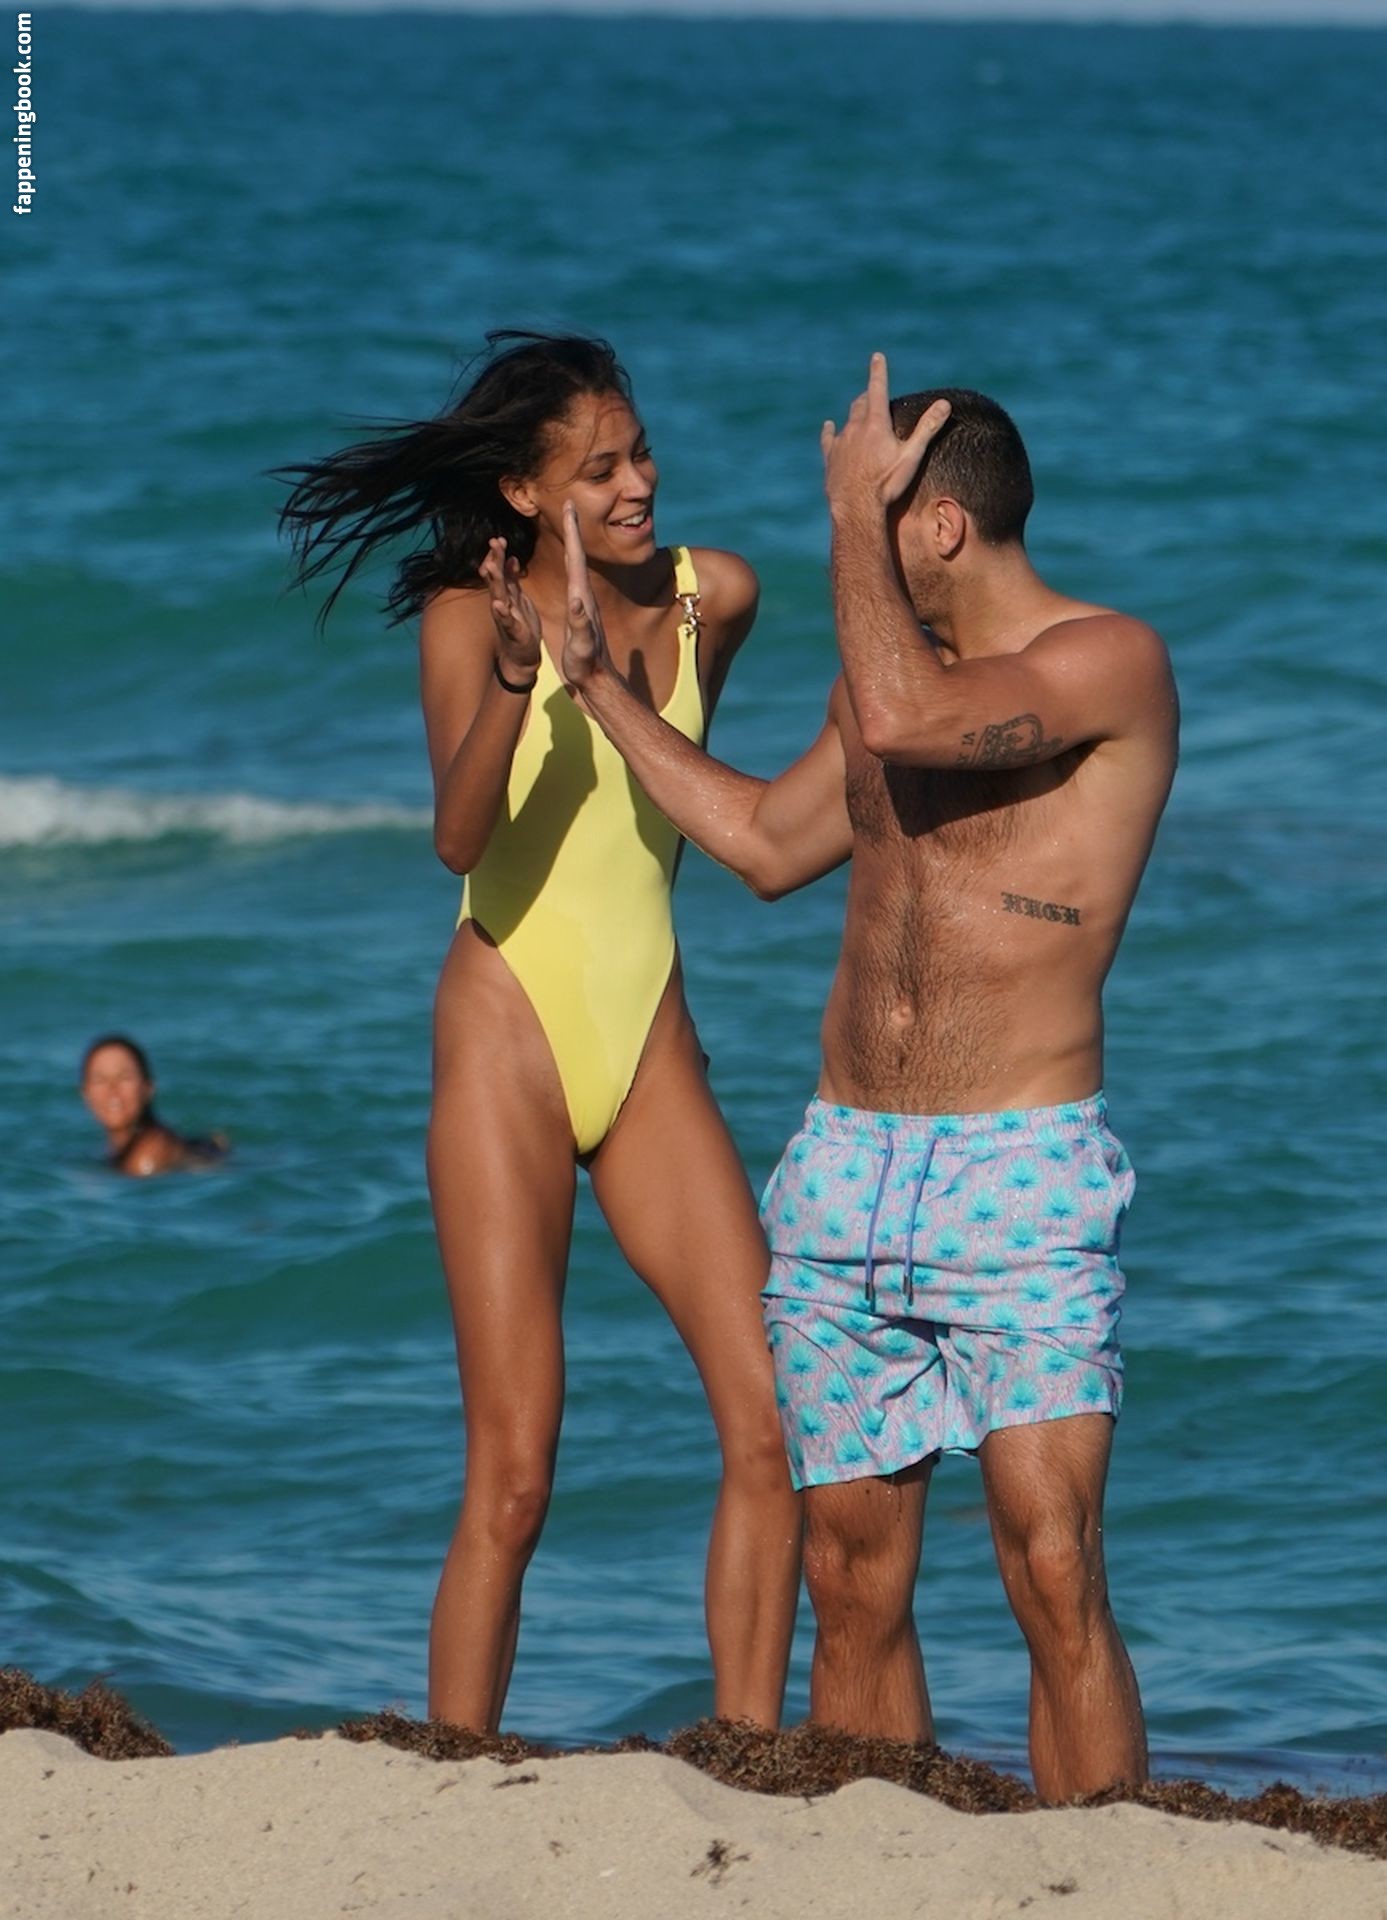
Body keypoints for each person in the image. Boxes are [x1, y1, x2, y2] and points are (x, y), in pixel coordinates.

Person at [557, 355, 1179, 1800]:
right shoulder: (881, 690)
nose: (854, 540)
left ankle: (1103, 1870)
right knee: (846, 1573)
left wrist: (848, 518)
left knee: (1049, 1562)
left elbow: (905, 722)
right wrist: (596, 691)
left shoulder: (1106, 663)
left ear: (938, 523)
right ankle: (878, 1864)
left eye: (876, 514)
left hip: (1016, 1166)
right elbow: (767, 846)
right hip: (846, 1167)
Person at [278, 331, 799, 1735]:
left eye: (641, 453)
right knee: (513, 1473)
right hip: (505, 1027)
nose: (639, 484)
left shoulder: (711, 598)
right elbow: (458, 840)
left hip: (648, 1037)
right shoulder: (469, 616)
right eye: (600, 468)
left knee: (771, 1419)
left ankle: (749, 1760)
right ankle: (457, 1770)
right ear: (522, 491)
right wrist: (519, 681)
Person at [80, 1034, 227, 1176]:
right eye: (99, 1080)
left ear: (148, 1088)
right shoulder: (112, 1149)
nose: (112, 1089)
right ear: (85, 1093)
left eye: (125, 1077)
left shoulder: (147, 1157)